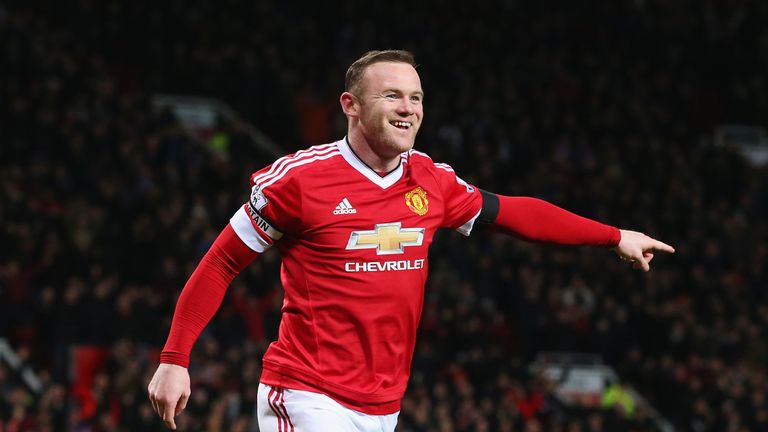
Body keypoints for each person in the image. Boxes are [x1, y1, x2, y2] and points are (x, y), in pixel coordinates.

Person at [147, 50, 674, 431]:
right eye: (392, 95)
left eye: (416, 97)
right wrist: (175, 358)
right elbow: (219, 265)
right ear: (351, 105)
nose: (408, 108)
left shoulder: (432, 181)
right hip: (307, 393)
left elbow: (513, 213)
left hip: (383, 406)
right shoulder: (299, 180)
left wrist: (613, 236)